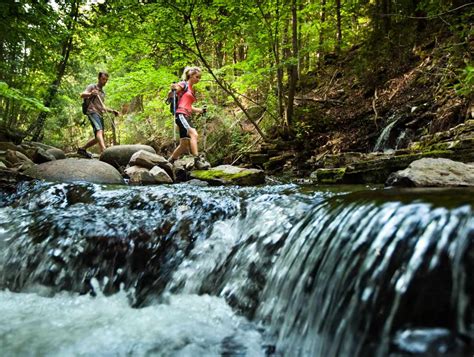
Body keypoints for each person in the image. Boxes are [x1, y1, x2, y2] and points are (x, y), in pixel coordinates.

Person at [168, 66, 210, 169]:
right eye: (197, 77)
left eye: (199, 77)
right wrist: (173, 88)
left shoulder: (191, 89)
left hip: (186, 115)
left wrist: (200, 110)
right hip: (181, 114)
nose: (198, 79)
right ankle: (197, 161)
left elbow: (189, 106)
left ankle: (169, 162)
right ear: (190, 76)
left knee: (184, 143)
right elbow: (175, 90)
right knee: (193, 134)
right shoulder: (184, 84)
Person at [77, 71, 119, 158]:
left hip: (99, 114)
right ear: (99, 78)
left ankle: (82, 149)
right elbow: (82, 95)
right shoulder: (92, 86)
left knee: (99, 136)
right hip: (92, 112)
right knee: (99, 131)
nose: (105, 81)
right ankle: (104, 150)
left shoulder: (102, 93)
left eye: (106, 80)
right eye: (103, 79)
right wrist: (91, 93)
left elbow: (102, 107)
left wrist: (112, 111)